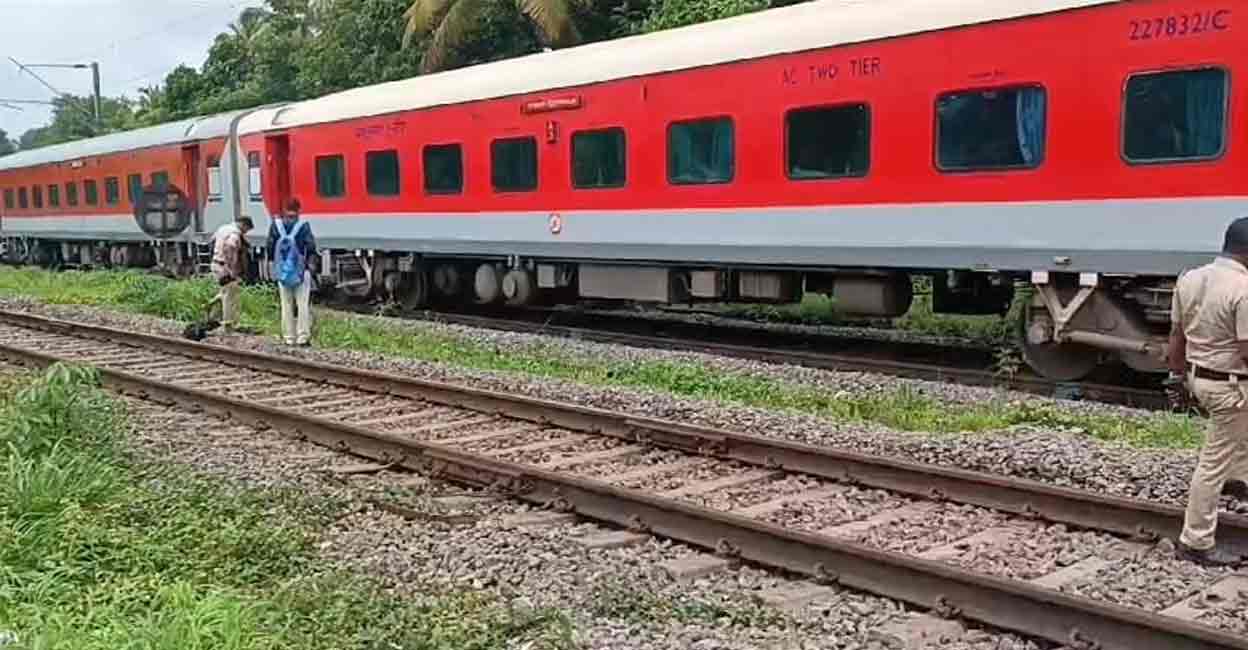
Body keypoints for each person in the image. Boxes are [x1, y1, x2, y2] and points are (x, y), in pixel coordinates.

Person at [1167, 216, 1248, 567]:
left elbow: (1176, 336)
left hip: (1201, 378)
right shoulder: (1243, 289)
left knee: (1237, 434)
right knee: (1213, 460)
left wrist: (1177, 376)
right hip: (1230, 385)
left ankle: (1239, 480)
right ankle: (1196, 541)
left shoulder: (1191, 278)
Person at [266, 198, 317, 346]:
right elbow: (311, 247)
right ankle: (303, 336)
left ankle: (288, 337)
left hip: (282, 272)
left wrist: (274, 266)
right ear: (298, 210)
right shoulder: (303, 226)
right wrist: (311, 267)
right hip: (301, 272)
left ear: (284, 209)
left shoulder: (276, 226)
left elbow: (270, 247)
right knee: (302, 304)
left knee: (286, 304)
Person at [209, 216, 254, 332]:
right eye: (246, 230)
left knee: (225, 291)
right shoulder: (235, 233)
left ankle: (212, 314)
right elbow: (230, 246)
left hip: (216, 264)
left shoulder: (223, 229)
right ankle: (228, 324)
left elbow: (211, 241)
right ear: (243, 225)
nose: (245, 232)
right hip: (224, 267)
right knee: (230, 295)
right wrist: (231, 267)